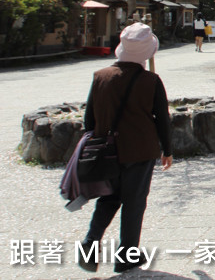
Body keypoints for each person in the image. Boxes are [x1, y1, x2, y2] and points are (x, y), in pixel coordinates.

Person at [78, 22, 172, 274]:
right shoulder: (150, 80)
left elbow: (89, 121)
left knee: (109, 198)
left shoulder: (100, 77)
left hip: (106, 150)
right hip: (141, 150)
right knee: (134, 202)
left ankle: (89, 245)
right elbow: (162, 118)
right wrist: (168, 149)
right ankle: (126, 255)